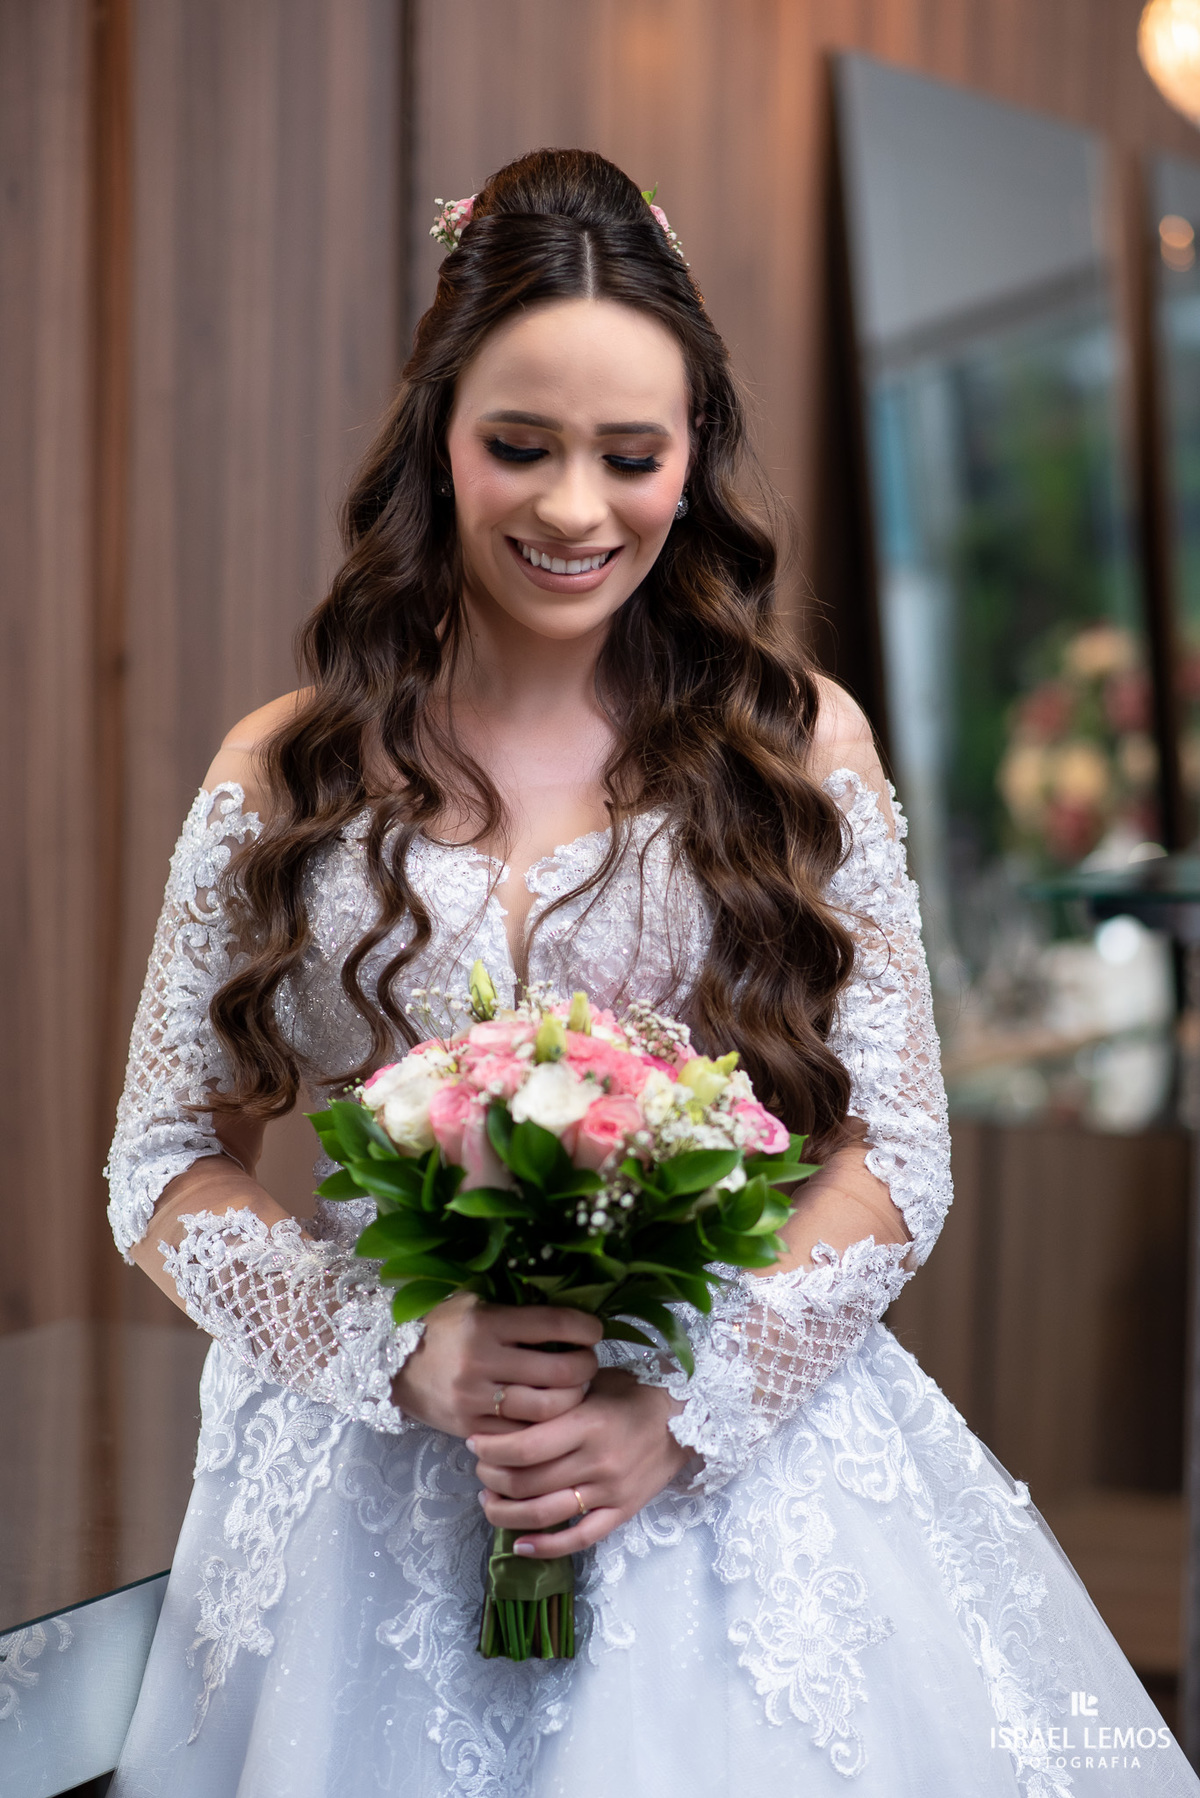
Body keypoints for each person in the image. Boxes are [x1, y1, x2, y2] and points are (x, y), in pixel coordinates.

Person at [105, 148, 1197, 1796]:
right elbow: (156, 1160)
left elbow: (895, 1152)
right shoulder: (284, 771)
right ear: (437, 440)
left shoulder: (794, 749)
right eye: (518, 447)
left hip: (727, 1482)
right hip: (372, 1507)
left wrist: (671, 1409)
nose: (572, 508)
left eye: (631, 454)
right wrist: (394, 1345)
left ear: (692, 459)